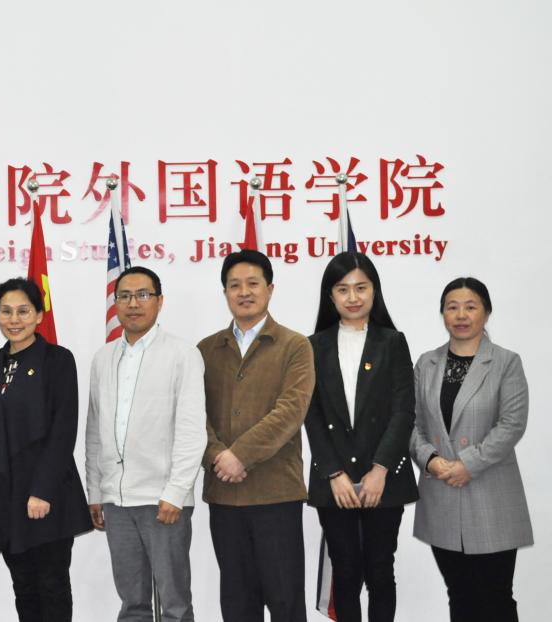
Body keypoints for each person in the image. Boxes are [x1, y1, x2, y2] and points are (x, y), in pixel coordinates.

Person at [197, 249, 315, 622]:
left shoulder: (295, 345)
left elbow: (290, 411)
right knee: (237, 604)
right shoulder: (206, 349)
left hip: (275, 493)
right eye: (235, 285)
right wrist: (218, 456)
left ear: (270, 289)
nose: (244, 292)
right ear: (225, 293)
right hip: (224, 494)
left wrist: (239, 455)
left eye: (253, 283)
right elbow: (193, 416)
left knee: (285, 601)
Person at [84, 266, 207, 622]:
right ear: (115, 303)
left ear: (159, 301)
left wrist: (177, 491)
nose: (133, 303)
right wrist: (96, 490)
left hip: (162, 499)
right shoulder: (103, 358)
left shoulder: (182, 354)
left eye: (143, 295)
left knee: (174, 605)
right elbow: (95, 431)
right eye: (124, 296)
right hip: (116, 501)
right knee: (132, 604)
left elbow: (191, 429)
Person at [409, 277, 532, 622]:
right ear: (443, 314)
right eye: (452, 307)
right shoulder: (426, 364)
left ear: (486, 313)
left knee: (496, 598)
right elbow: (411, 423)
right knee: (459, 595)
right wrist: (430, 460)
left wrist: (468, 464)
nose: (461, 315)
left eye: (470, 306)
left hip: (490, 496)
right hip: (441, 497)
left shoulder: (506, 362)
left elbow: (511, 424)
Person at [303, 252, 418, 622]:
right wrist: (334, 474)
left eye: (361, 288)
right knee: (346, 572)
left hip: (384, 480)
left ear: (374, 291)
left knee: (380, 571)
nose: (352, 297)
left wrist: (380, 470)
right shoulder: (313, 346)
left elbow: (403, 412)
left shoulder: (393, 342)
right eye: (342, 289)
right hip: (333, 482)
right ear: (330, 296)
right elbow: (311, 416)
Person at [0, 277, 92, 621]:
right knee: (23, 586)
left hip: (46, 495)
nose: (14, 319)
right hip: (4, 495)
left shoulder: (58, 359)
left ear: (39, 315)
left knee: (51, 585)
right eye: (6, 311)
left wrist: (42, 491)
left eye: (23, 311)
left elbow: (63, 430)